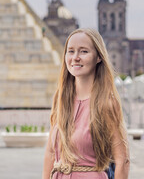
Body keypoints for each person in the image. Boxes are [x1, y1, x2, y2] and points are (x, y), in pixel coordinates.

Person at [42, 28, 130, 179]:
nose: (75, 57)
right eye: (71, 51)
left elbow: (122, 160)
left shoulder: (106, 103)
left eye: (83, 51)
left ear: (98, 57)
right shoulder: (60, 99)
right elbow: (50, 152)